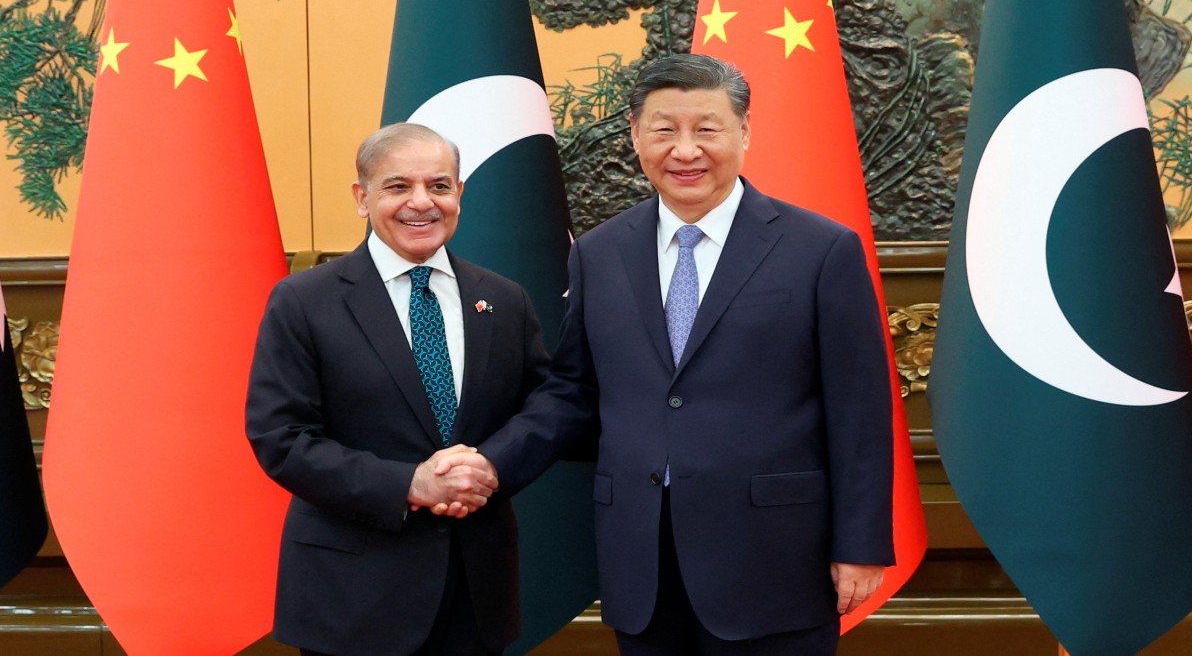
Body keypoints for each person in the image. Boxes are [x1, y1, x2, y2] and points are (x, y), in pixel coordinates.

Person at [437, 54, 896, 654]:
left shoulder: (820, 250)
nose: (685, 150)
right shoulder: (600, 254)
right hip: (643, 560)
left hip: (774, 559)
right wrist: (492, 464)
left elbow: (858, 410)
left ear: (745, 132)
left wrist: (858, 544)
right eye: (664, 130)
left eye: (706, 129)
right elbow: (575, 392)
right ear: (634, 135)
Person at [245, 122, 543, 656]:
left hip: (475, 595)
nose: (421, 203)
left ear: (460, 194)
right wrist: (412, 484)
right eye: (398, 186)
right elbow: (281, 439)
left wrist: (488, 468)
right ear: (362, 198)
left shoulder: (504, 300)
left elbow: (543, 411)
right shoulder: (304, 301)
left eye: (439, 186)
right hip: (352, 598)